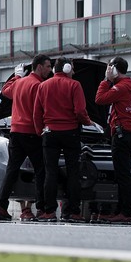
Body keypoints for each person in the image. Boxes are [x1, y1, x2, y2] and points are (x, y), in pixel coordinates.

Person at [0, 55, 53, 221]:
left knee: (12, 170)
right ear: (38, 66)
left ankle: (1, 207)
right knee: (40, 171)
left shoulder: (19, 83)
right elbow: (40, 112)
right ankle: (41, 208)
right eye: (47, 66)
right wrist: (42, 131)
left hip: (15, 132)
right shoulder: (39, 86)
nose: (50, 70)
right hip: (32, 133)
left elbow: (5, 91)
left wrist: (17, 75)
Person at [33, 57, 91, 223]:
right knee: (73, 172)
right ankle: (73, 211)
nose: (73, 72)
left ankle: (49, 211)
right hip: (71, 132)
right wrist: (88, 122)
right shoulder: (74, 85)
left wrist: (40, 131)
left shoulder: (43, 86)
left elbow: (37, 112)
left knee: (50, 172)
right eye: (72, 69)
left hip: (49, 133)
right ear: (66, 69)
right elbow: (80, 110)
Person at [95, 56, 131, 225]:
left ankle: (126, 213)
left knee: (122, 175)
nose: (109, 70)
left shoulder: (120, 88)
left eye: (110, 68)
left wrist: (106, 80)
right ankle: (122, 211)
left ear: (115, 70)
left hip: (121, 135)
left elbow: (99, 99)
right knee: (124, 174)